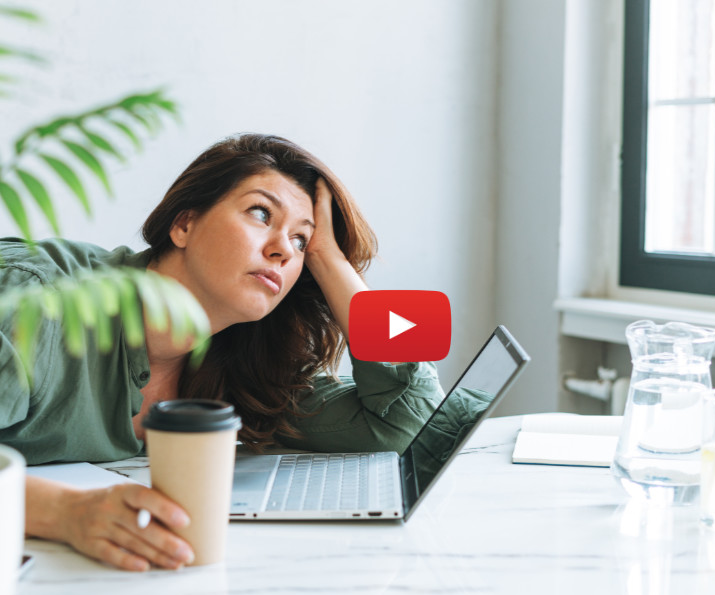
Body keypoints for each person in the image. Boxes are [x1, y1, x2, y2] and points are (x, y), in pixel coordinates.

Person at [0, 133, 444, 572]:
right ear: (184, 224)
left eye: (300, 242)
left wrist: (332, 263)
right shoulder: (36, 303)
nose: (281, 251)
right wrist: (63, 513)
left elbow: (411, 423)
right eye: (260, 213)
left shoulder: (242, 373)